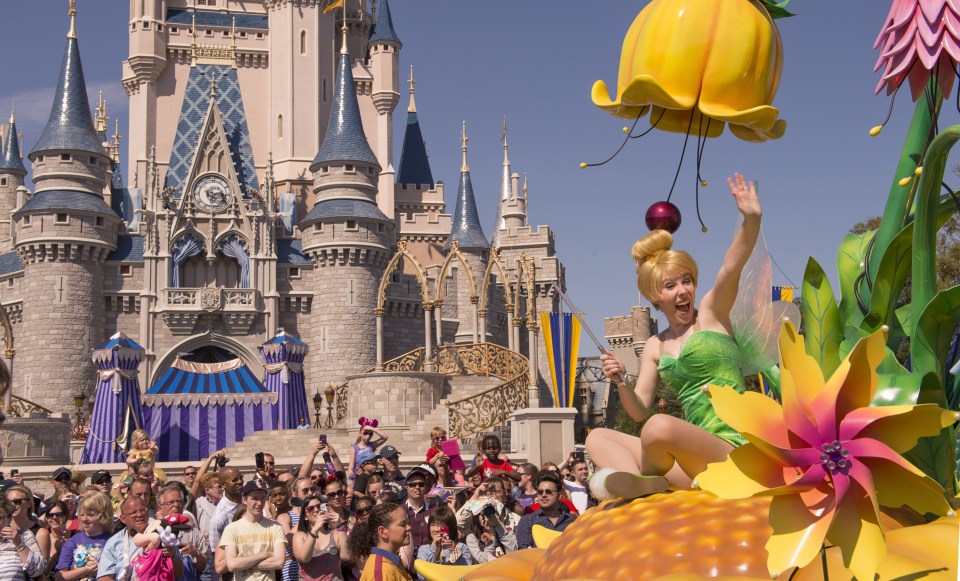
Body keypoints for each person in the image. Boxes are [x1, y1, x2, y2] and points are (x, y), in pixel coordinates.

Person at [585, 172, 764, 499]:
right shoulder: (655, 345)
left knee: (659, 427)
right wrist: (620, 380)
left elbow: (731, 266)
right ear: (656, 298)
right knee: (597, 437)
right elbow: (638, 411)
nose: (683, 291)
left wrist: (751, 220)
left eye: (687, 281)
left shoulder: (711, 313)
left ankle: (648, 484)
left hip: (735, 452)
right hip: (693, 461)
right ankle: (646, 483)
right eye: (671, 286)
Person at [219, 482, 286, 581]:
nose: (259, 503)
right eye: (254, 498)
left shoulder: (275, 527)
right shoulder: (232, 529)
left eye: (262, 498)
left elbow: (279, 562)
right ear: (244, 500)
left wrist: (243, 563)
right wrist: (264, 554)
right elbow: (232, 565)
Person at [154, 484, 209, 578]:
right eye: (170, 502)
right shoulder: (153, 531)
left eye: (179, 501)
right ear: (160, 509)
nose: (176, 505)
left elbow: (203, 567)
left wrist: (195, 553)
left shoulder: (194, 532)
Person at [347, 503, 412, 581]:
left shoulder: (390, 562)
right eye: (402, 524)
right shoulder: (381, 571)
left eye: (407, 523)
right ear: (383, 531)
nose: (409, 527)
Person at [292, 495, 349, 581]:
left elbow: (346, 556)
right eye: (310, 508)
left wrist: (340, 526)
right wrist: (315, 529)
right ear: (305, 516)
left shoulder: (336, 534)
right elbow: (304, 558)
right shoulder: (300, 536)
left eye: (319, 506)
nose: (316, 510)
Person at [515, 473, 576, 550]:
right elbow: (525, 552)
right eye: (540, 492)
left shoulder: (573, 521)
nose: (544, 495)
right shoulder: (528, 520)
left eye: (549, 491)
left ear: (559, 496)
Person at [96, 496, 150, 581]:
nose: (139, 515)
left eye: (142, 510)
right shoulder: (113, 542)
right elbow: (103, 578)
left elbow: (178, 572)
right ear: (123, 519)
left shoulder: (160, 534)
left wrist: (171, 555)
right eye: (133, 512)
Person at [0, 496, 45, 580]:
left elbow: (38, 570)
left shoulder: (23, 535)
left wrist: (19, 543)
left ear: (8, 517)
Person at [414, 507, 470, 575]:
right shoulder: (424, 549)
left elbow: (466, 572)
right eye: (433, 525)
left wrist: (454, 552)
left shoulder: (461, 547)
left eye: (440, 525)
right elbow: (421, 576)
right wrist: (434, 549)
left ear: (450, 527)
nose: (436, 529)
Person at [7, 484, 52, 567]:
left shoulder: (41, 533)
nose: (12, 505)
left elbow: (43, 569)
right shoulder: (3, 529)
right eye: (8, 502)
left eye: (17, 501)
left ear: (29, 504)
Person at [462, 499, 516, 563]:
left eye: (490, 511)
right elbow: (483, 561)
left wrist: (499, 526)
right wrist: (491, 537)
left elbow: (514, 552)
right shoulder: (472, 537)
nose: (488, 515)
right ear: (476, 517)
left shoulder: (504, 528)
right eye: (483, 513)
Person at [208, 467, 243, 560]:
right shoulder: (218, 518)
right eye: (234, 480)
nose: (240, 481)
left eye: (241, 477)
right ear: (223, 485)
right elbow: (215, 553)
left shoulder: (250, 499)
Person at [42, 500, 70, 578]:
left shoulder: (73, 537)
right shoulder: (42, 538)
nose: (54, 518)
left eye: (59, 515)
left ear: (65, 516)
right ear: (47, 518)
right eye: (50, 515)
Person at [195, 473, 223, 539]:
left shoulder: (225, 505)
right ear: (207, 490)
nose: (223, 489)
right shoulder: (198, 505)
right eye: (219, 487)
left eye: (223, 486)